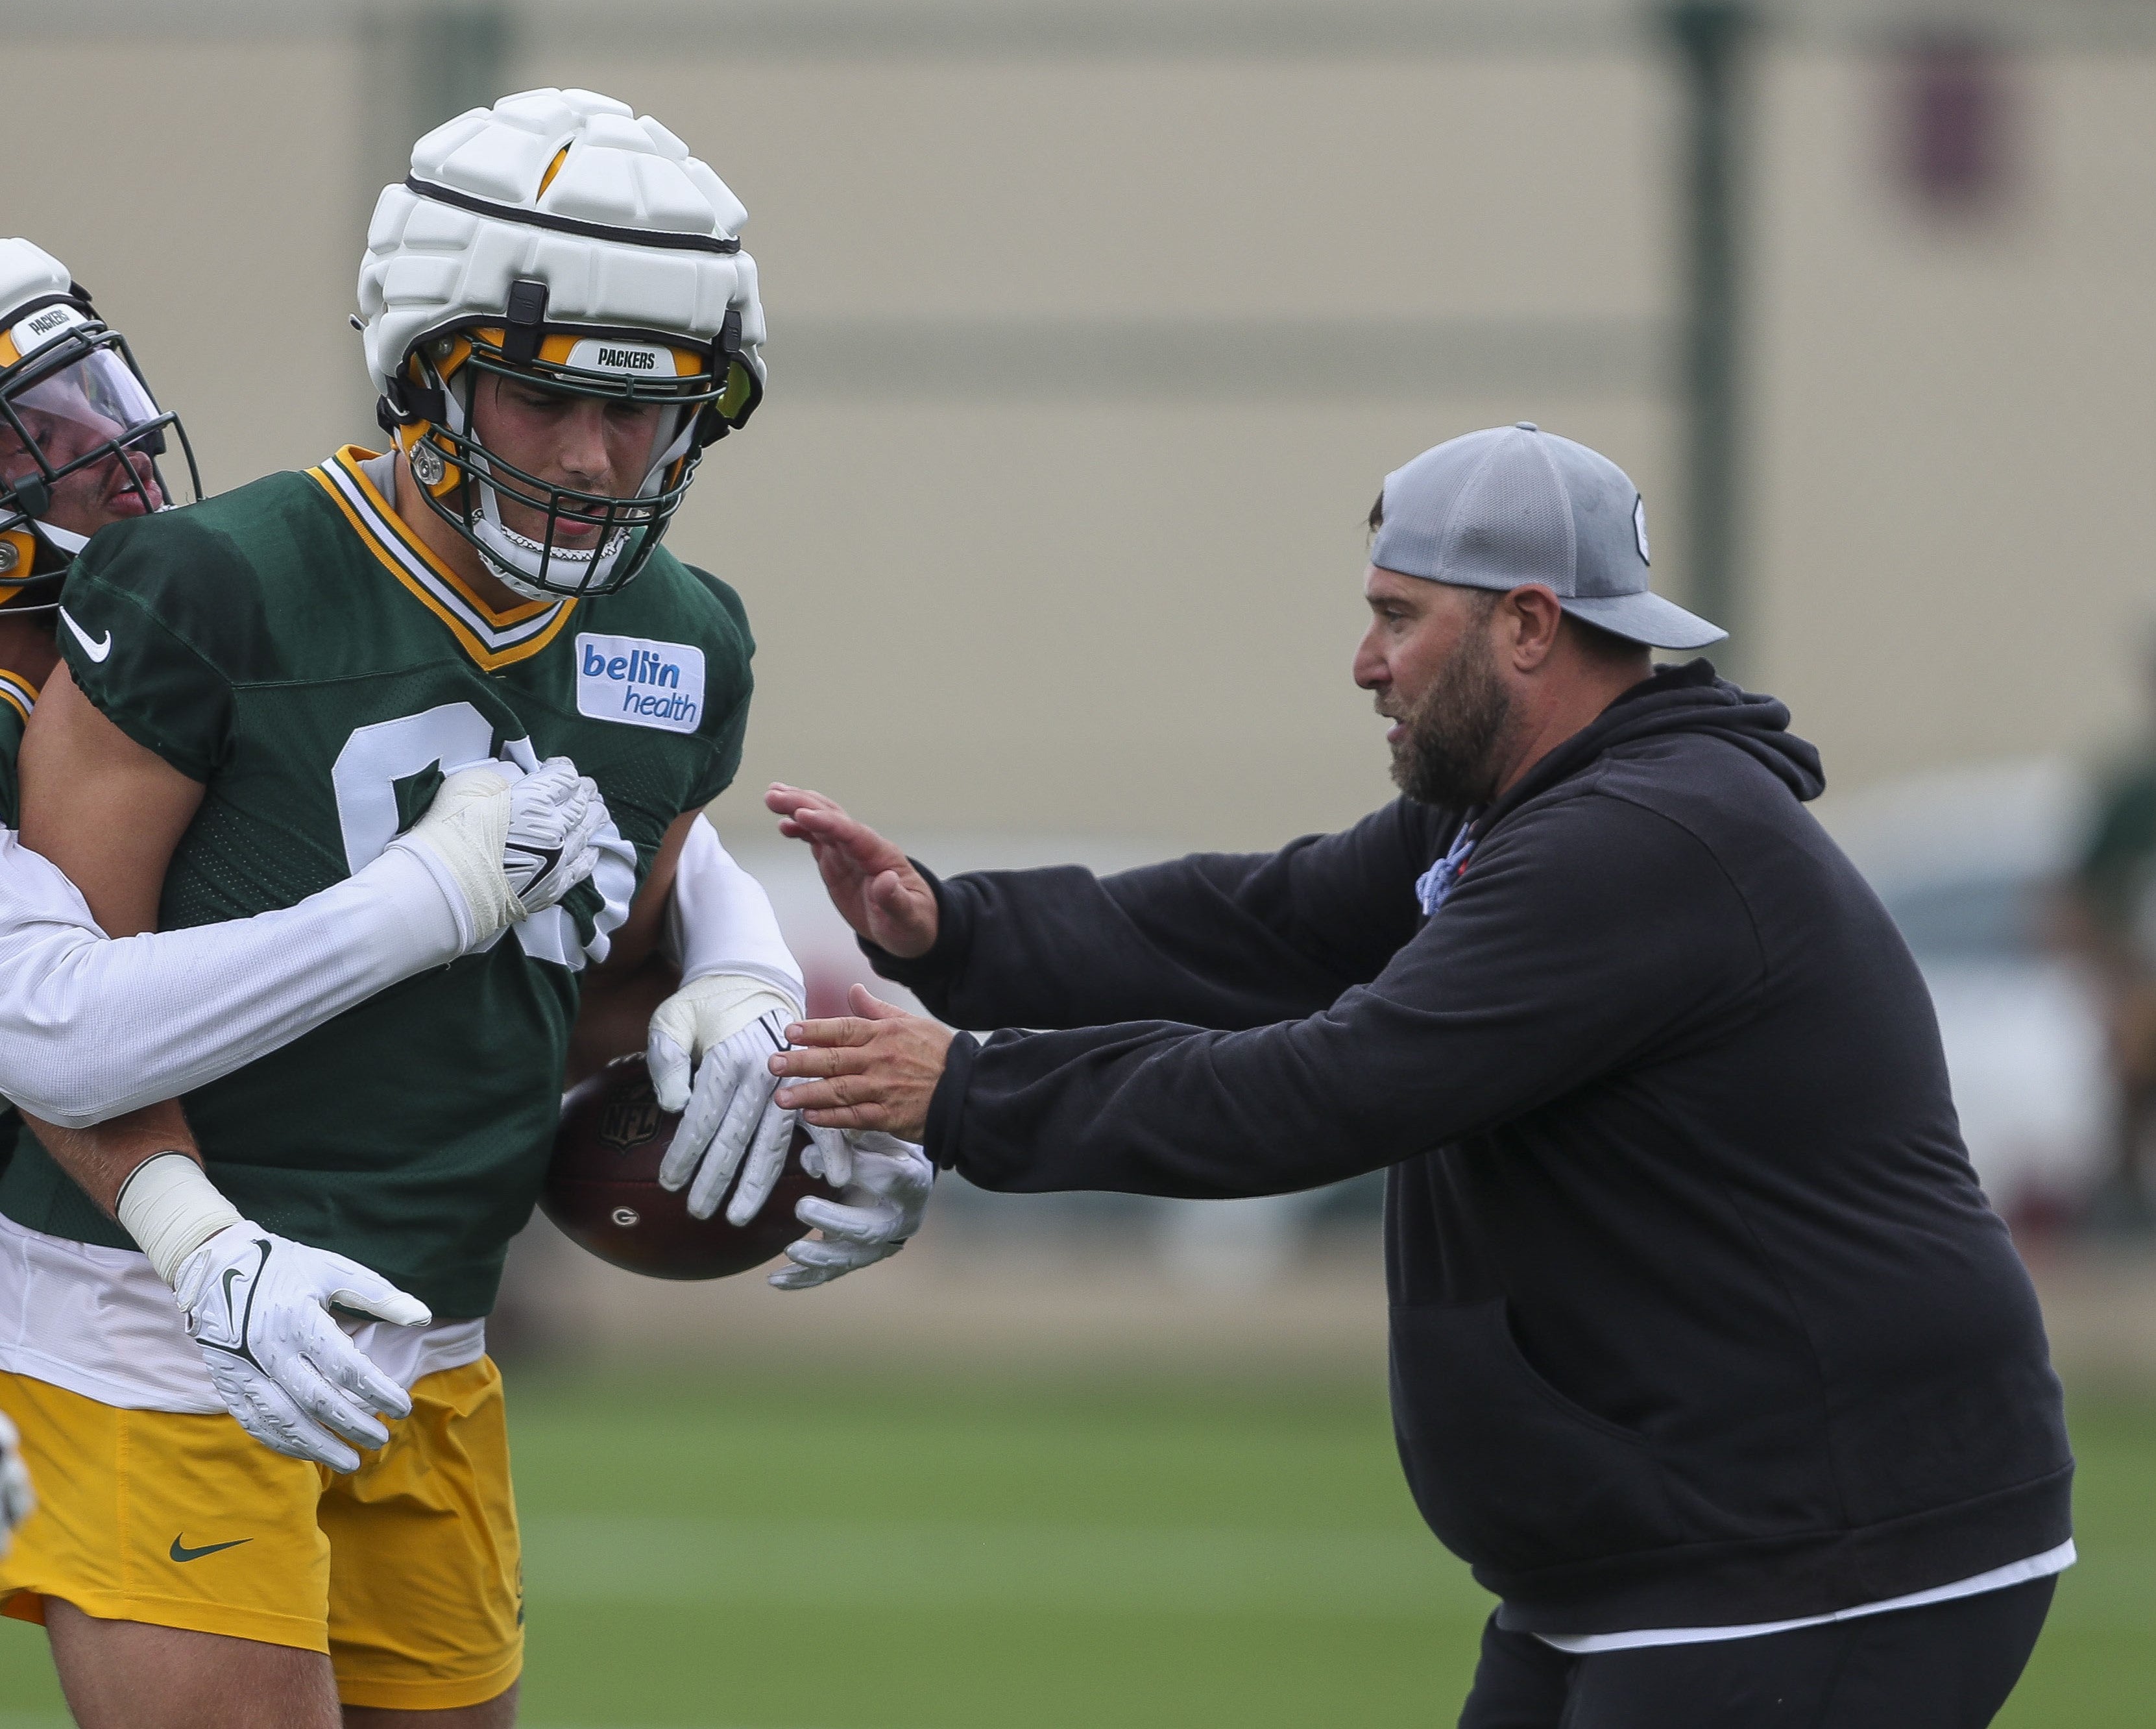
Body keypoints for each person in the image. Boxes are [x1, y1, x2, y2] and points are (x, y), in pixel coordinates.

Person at [766, 422, 2074, 1728]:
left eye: (1399, 615)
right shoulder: (1513, 816)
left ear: (1527, 625)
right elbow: (1263, 926)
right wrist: (956, 928)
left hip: (1830, 1554)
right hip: (1661, 1559)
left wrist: (969, 1090)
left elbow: (1333, 1086)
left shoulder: (1637, 843)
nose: (1364, 661)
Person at [0, 90, 897, 1729]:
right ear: (427, 362)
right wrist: (197, 1243)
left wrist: (781, 1062)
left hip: (434, 1330)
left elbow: (593, 979)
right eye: (545, 397)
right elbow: (57, 1016)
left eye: (649, 413)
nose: (594, 457)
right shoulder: (214, 584)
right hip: (148, 1320)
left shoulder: (685, 637)